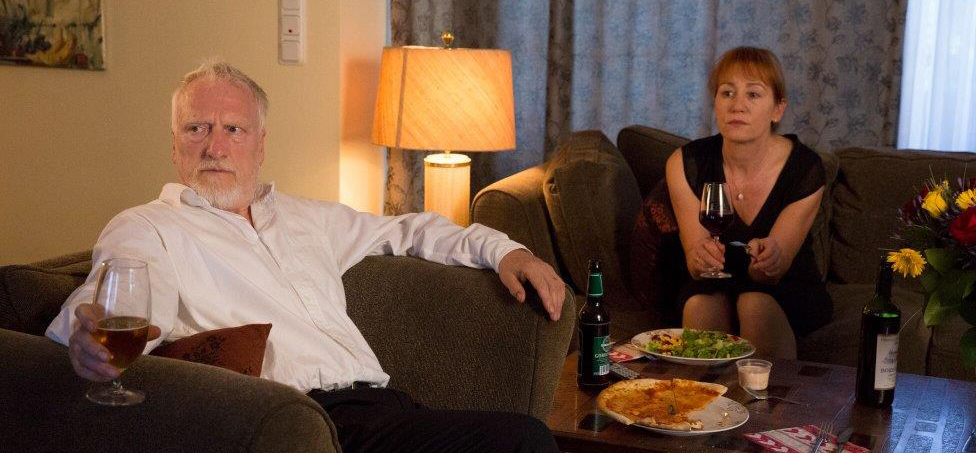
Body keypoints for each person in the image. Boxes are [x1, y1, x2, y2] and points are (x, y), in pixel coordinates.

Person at [45, 59, 565, 452]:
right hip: (296, 422)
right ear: (174, 144)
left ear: (260, 144)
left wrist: (507, 251)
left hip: (383, 406)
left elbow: (409, 230)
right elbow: (119, 301)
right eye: (196, 128)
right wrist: (90, 335)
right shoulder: (149, 227)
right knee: (522, 441)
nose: (215, 147)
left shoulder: (306, 217)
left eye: (233, 129)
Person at [664, 46, 832, 359]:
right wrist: (701, 259)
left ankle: (772, 394)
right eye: (727, 93)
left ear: (777, 109)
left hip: (783, 285)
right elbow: (695, 264)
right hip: (713, 284)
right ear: (715, 103)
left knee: (755, 303)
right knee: (701, 304)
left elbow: (772, 273)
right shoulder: (685, 163)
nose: (737, 105)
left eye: (753, 94)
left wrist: (769, 259)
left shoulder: (806, 168)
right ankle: (703, 391)